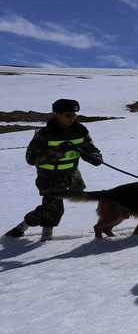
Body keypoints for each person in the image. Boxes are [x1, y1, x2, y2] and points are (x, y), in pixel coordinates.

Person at [5, 99, 103, 241]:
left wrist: (95, 157)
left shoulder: (80, 130)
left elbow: (89, 149)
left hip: (72, 175)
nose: (72, 118)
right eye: (68, 115)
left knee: (50, 207)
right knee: (54, 208)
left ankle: (22, 226)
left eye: (74, 115)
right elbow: (31, 159)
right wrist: (59, 151)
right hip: (50, 177)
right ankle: (46, 241)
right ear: (57, 115)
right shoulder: (44, 134)